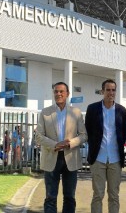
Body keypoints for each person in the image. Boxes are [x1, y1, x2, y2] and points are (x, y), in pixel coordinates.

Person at [36, 82, 87, 213]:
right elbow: (39, 136)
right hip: (51, 157)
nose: (58, 94)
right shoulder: (45, 112)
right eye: (56, 92)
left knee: (69, 197)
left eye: (61, 92)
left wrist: (71, 143)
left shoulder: (76, 112)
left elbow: (83, 135)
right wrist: (55, 145)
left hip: (70, 158)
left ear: (67, 94)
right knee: (50, 197)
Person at [85, 79, 126, 213]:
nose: (111, 93)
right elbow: (88, 130)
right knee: (98, 195)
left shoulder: (122, 111)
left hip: (115, 159)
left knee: (114, 196)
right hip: (98, 158)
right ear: (102, 91)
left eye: (113, 90)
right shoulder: (92, 109)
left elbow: (124, 133)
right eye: (108, 90)